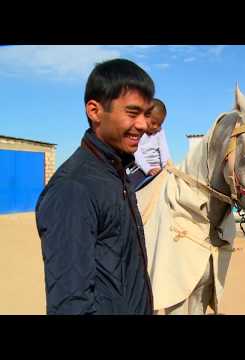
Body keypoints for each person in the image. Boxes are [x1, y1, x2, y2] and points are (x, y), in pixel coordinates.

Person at [35, 58, 155, 314]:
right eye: (133, 113)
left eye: (146, 114)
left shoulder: (118, 174)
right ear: (95, 111)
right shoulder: (73, 189)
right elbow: (70, 305)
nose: (144, 125)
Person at [129, 98, 171, 189]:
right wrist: (148, 169)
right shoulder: (137, 131)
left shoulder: (160, 132)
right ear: (145, 116)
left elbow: (164, 150)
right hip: (141, 169)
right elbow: (137, 153)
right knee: (127, 188)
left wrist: (166, 166)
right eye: (153, 123)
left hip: (158, 168)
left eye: (160, 124)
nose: (156, 127)